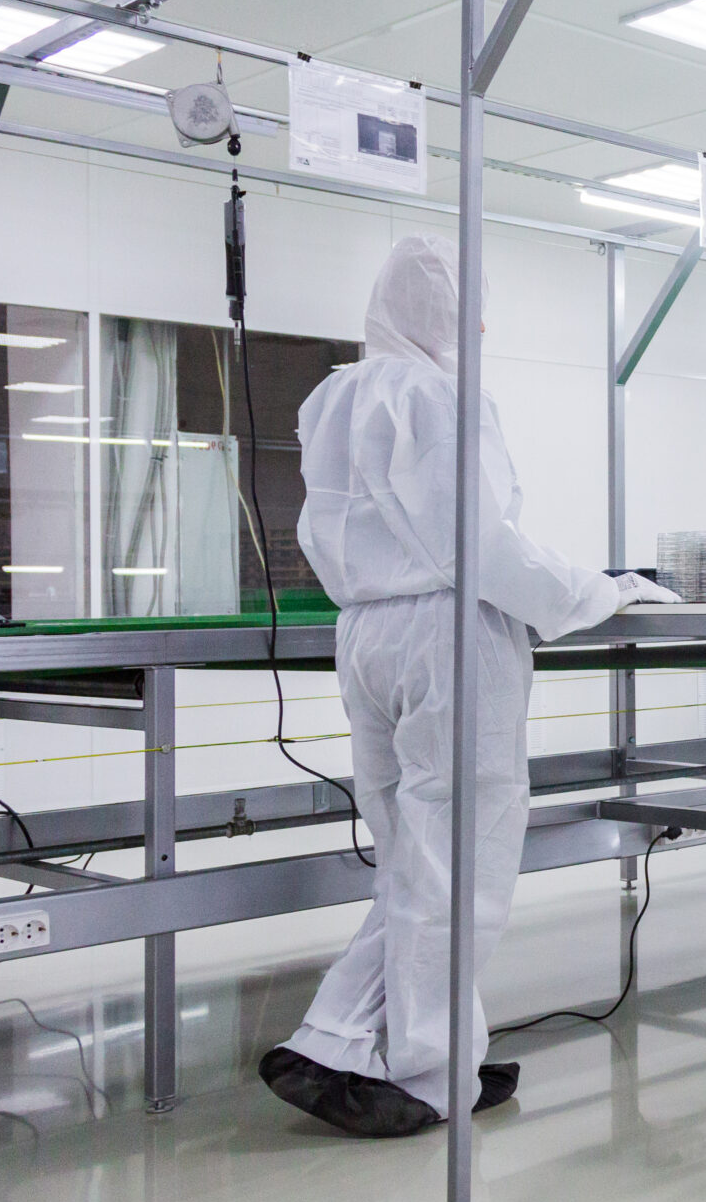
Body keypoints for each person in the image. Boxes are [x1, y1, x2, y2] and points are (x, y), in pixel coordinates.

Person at [260, 236, 677, 1138]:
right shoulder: (440, 394)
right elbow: (481, 545)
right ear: (441, 315)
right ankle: (424, 1070)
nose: (480, 326)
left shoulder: (335, 396)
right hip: (447, 633)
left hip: (366, 632)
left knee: (418, 858)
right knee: (460, 863)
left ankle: (340, 1034)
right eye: (470, 309)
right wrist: (604, 590)